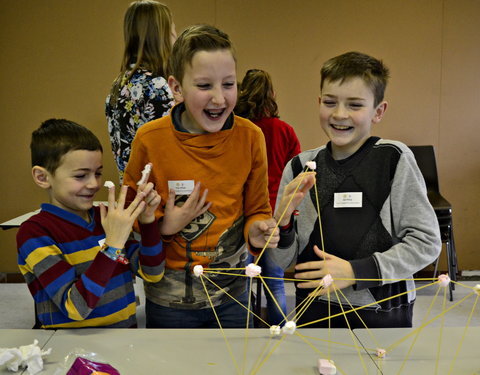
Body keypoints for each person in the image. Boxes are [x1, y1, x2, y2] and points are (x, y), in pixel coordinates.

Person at [268, 51, 441, 329]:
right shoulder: (299, 166)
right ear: (319, 102)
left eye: (355, 104)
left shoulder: (394, 159)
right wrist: (283, 224)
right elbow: (281, 259)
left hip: (384, 314)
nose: (339, 114)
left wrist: (355, 271)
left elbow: (427, 243)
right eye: (330, 102)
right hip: (314, 310)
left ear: (379, 111)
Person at [123, 25, 280, 328]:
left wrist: (257, 227)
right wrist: (165, 225)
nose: (219, 99)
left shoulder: (251, 137)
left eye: (229, 84)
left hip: (233, 294)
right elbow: (128, 220)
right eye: (205, 85)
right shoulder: (149, 140)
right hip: (169, 298)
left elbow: (257, 209)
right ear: (176, 88)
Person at [16, 119, 165, 329]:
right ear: (42, 177)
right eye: (80, 175)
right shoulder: (34, 232)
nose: (94, 184)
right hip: (69, 349)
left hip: (124, 338)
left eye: (97, 173)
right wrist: (112, 246)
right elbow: (75, 307)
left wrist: (148, 221)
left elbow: (153, 273)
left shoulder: (106, 218)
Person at [235, 69, 301, 325]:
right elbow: (295, 173)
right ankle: (280, 330)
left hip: (244, 213)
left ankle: (244, 333)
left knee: (240, 284)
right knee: (275, 282)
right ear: (272, 94)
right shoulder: (285, 130)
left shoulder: (240, 129)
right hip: (275, 212)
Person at [106, 0, 176, 182]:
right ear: (162, 36)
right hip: (157, 196)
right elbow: (170, 153)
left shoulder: (119, 84)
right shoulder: (157, 86)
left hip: (131, 192)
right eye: (173, 32)